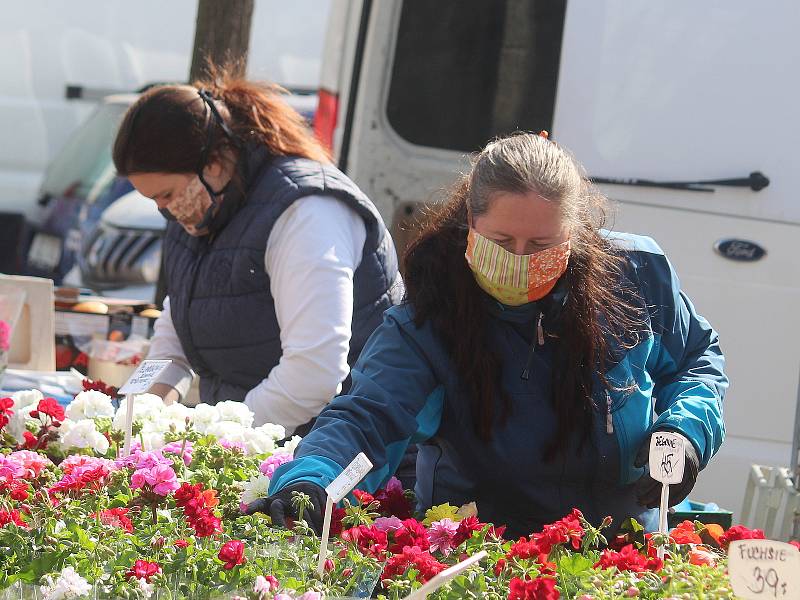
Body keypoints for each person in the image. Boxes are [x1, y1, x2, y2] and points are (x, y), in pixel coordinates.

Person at [245, 132, 727, 538]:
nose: (520, 258)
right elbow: (368, 417)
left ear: (575, 236)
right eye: (501, 242)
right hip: (479, 555)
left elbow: (697, 361)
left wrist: (685, 432)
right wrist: (312, 484)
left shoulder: (636, 276)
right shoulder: (428, 318)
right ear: (470, 226)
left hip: (619, 546)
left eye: (541, 245)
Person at [111, 67, 403, 436]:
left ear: (212, 164)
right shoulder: (204, 211)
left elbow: (314, 371)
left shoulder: (307, 214)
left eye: (166, 195)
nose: (164, 210)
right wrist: (136, 416)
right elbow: (175, 334)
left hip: (339, 452)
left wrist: (215, 440)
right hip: (263, 441)